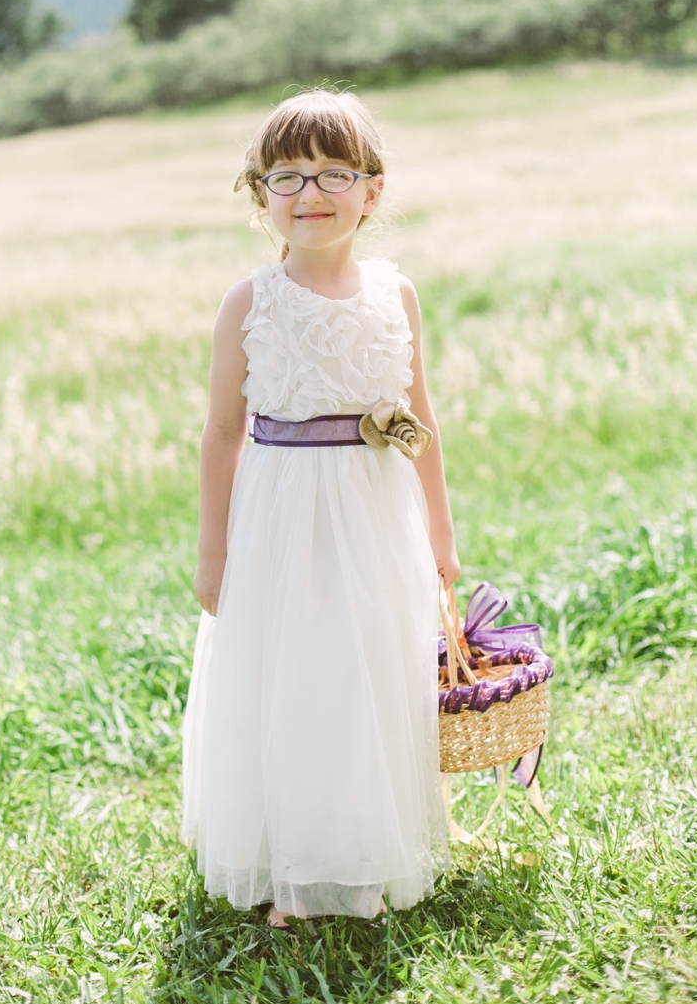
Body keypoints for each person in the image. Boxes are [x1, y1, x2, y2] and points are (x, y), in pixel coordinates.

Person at [180, 88, 461, 927]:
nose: (310, 193)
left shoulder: (395, 294)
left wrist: (440, 537)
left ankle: (360, 854)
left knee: (367, 673)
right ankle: (292, 868)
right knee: (294, 676)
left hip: (376, 514)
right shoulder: (251, 302)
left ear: (371, 191)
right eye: (287, 176)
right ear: (258, 195)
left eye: (333, 173)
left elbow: (421, 424)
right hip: (282, 516)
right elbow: (221, 434)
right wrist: (213, 551)